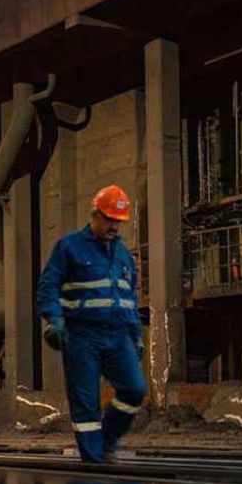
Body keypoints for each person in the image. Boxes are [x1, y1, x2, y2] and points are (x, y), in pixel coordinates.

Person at [37, 185, 148, 463]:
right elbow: (48, 286)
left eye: (118, 221)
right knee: (86, 403)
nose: (114, 227)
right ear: (95, 214)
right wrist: (54, 318)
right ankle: (94, 461)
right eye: (109, 220)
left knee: (134, 389)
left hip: (119, 334)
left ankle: (107, 442)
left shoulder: (124, 256)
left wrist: (137, 335)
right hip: (81, 335)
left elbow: (129, 299)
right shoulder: (69, 247)